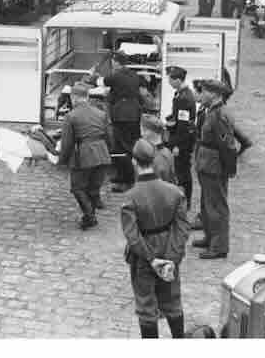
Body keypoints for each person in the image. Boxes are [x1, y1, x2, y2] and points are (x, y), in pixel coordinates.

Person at [121, 139, 190, 338]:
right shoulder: (175, 192)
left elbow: (132, 236)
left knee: (146, 307)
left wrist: (152, 259)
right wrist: (172, 258)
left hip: (143, 258)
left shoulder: (130, 197)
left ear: (134, 162)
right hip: (169, 249)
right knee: (173, 303)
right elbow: (183, 227)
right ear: (153, 159)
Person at [192, 79, 236, 260]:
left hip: (214, 165)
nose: (201, 95)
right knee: (206, 204)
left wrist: (229, 168)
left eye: (205, 92)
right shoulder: (211, 111)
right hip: (206, 163)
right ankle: (210, 237)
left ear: (216, 95)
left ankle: (219, 246)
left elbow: (228, 145)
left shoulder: (220, 115)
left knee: (217, 206)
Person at [58, 83, 112, 229]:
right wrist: (108, 152)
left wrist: (62, 160)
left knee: (77, 188)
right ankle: (89, 216)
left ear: (73, 97)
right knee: (93, 188)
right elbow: (109, 136)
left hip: (84, 154)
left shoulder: (71, 116)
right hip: (102, 152)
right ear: (87, 97)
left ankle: (89, 215)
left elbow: (67, 142)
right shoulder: (101, 114)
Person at [101, 52, 142, 192]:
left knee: (121, 148)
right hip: (134, 114)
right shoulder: (134, 75)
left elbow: (103, 81)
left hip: (122, 116)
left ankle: (127, 180)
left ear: (115, 62)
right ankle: (121, 175)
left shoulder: (116, 75)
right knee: (128, 146)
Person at [165, 66, 196, 209]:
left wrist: (177, 145)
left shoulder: (184, 98)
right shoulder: (181, 94)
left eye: (170, 79)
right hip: (182, 138)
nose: (169, 82)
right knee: (181, 170)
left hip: (182, 141)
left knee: (182, 172)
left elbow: (183, 125)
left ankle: (185, 201)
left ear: (177, 80)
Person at [140, 115, 176, 185]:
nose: (142, 134)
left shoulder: (158, 156)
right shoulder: (167, 153)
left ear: (150, 132)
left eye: (144, 130)